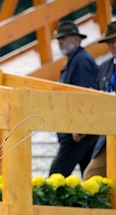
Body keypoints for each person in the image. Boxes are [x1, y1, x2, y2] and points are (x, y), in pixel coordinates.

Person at [48, 19, 100, 177]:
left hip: (77, 133)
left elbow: (86, 96)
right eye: (58, 39)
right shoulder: (75, 60)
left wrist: (80, 126)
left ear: (76, 39)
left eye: (63, 38)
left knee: (56, 176)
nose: (60, 43)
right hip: (76, 131)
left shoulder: (81, 61)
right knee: (90, 175)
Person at [85, 20, 116, 178]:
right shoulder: (104, 66)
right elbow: (97, 95)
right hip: (107, 136)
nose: (114, 46)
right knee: (91, 176)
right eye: (111, 42)